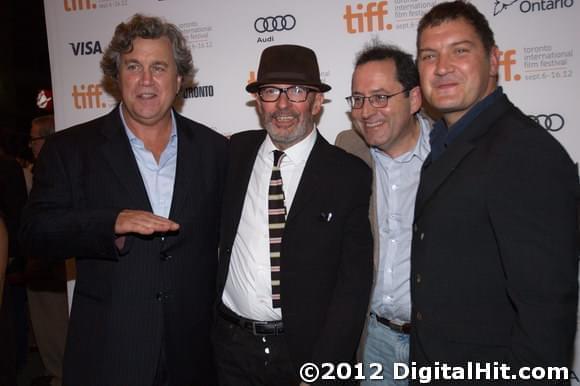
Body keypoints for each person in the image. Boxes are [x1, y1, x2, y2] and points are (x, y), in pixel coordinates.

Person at [20, 14, 227, 386]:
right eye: (134, 66)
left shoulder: (215, 150)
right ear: (117, 77)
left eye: (158, 67)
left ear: (179, 79)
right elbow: (34, 233)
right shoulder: (70, 149)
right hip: (109, 355)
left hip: (194, 356)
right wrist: (109, 222)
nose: (146, 80)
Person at [411, 1, 578, 384]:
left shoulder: (524, 152)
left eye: (460, 50)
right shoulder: (446, 142)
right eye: (429, 55)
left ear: (494, 59)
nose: (442, 67)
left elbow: (546, 313)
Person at [213, 44, 373, 386]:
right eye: (271, 91)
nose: (283, 105)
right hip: (230, 350)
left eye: (297, 91)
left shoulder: (348, 175)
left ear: (317, 102)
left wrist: (326, 368)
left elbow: (353, 287)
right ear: (259, 102)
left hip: (304, 354)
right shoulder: (232, 154)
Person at [335, 41, 431, 386]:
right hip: (374, 341)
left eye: (380, 97)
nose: (365, 110)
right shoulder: (348, 148)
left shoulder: (452, 154)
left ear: (415, 99)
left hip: (438, 343)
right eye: (358, 99)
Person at [25, 114, 69, 386]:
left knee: (56, 326)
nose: (30, 146)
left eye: (34, 139)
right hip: (47, 264)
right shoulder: (42, 169)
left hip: (54, 264)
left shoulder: (55, 168)